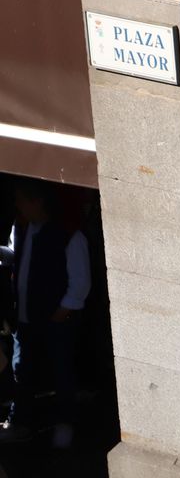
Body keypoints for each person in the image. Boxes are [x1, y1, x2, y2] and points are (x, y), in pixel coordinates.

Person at [0, 179, 91, 447]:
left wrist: (60, 313)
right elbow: (16, 256)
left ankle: (65, 422)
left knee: (61, 370)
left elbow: (80, 282)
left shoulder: (69, 235)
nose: (17, 205)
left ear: (37, 201)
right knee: (22, 371)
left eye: (21, 199)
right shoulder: (23, 227)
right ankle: (21, 422)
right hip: (26, 317)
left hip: (55, 319)